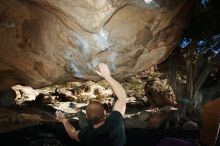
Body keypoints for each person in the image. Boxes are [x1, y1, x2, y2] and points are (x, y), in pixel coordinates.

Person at [55, 63, 127, 146]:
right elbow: (122, 98)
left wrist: (64, 120)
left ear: (87, 117)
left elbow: (73, 135)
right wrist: (107, 76)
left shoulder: (86, 133)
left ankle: (77, 110)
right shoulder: (115, 122)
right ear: (104, 112)